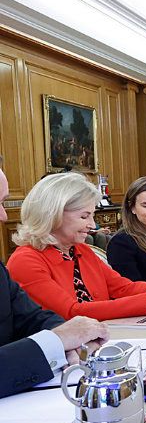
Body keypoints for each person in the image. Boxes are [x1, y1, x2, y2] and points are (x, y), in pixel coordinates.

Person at [0, 164, 109, 399]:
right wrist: (58, 340)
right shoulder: (25, 259)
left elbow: (33, 318)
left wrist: (74, 340)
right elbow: (69, 312)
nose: (4, 215)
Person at [7, 173, 146, 321]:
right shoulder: (25, 261)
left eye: (92, 215)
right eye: (84, 216)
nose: (92, 225)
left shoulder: (80, 250)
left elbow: (123, 289)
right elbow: (71, 312)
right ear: (53, 214)